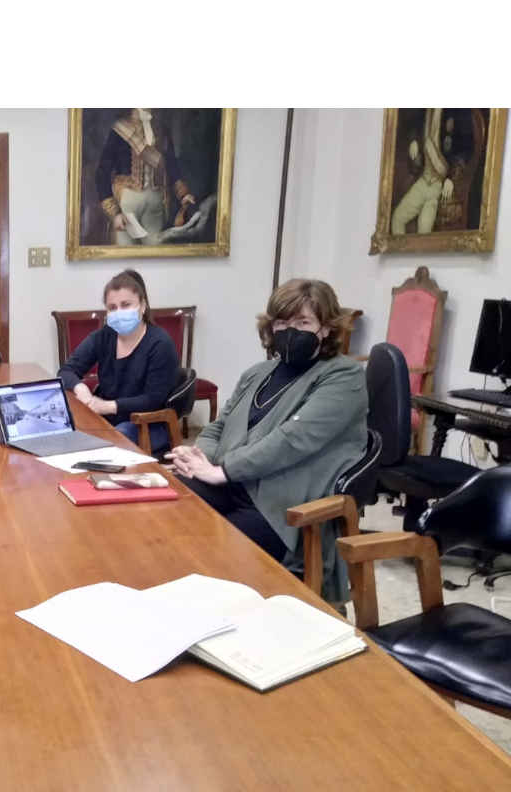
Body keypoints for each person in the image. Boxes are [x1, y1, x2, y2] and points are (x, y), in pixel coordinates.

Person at [166, 279, 367, 610]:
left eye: (303, 322)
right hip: (235, 482)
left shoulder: (344, 377)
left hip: (280, 502)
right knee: (164, 513)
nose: (290, 331)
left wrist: (223, 471)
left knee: (203, 554)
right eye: (282, 323)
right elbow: (219, 425)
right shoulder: (257, 373)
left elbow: (292, 440)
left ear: (327, 328)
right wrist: (200, 456)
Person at [57, 269, 180, 454]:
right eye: (112, 307)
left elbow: (153, 399)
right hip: (109, 419)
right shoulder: (103, 337)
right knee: (67, 434)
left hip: (147, 423)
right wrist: (80, 387)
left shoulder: (161, 343)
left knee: (105, 444)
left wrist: (107, 406)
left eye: (126, 305)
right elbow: (66, 371)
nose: (119, 312)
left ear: (143, 306)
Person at [95, 108, 198, 246]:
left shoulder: (161, 130)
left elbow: (171, 166)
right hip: (128, 206)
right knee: (125, 252)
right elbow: (102, 172)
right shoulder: (120, 130)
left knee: (155, 253)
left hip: (155, 205)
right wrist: (115, 213)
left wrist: (183, 194)